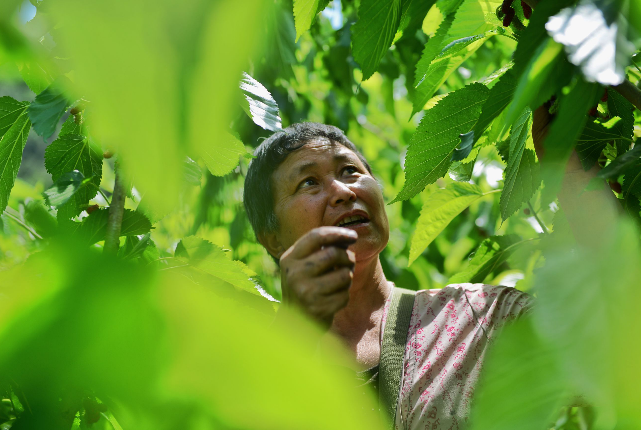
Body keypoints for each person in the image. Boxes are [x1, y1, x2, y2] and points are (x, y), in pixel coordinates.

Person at [242, 116, 618, 429]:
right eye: (309, 182)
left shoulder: (482, 319)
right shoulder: (239, 370)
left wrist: (576, 187)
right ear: (272, 238)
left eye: (350, 171)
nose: (342, 191)